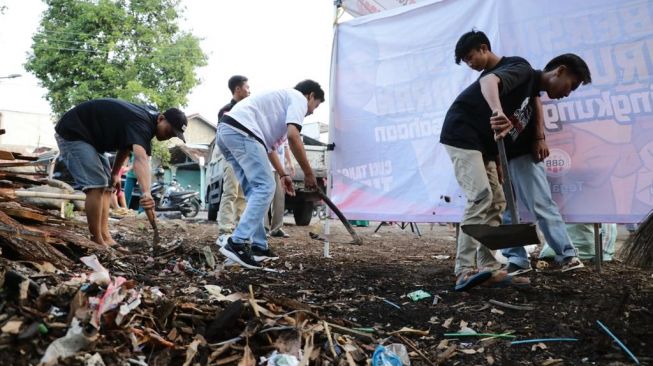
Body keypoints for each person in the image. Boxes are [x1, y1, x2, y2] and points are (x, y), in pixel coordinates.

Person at [440, 30, 591, 291]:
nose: (568, 93)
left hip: (485, 146)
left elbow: (533, 100)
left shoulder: (531, 86)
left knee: (498, 202)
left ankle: (488, 267)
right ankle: (464, 269)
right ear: (560, 71)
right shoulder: (520, 68)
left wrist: (535, 138)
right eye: (571, 85)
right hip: (462, 135)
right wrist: (497, 111)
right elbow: (488, 82)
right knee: (480, 198)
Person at [216, 80, 324, 268]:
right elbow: (293, 137)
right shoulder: (298, 98)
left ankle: (259, 246)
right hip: (242, 132)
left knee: (254, 192)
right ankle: (237, 242)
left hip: (227, 132)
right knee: (266, 187)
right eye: (314, 106)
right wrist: (308, 172)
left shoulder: (280, 105)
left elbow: (268, 149)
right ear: (310, 95)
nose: (312, 111)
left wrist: (283, 175)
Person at [54, 98, 187, 247]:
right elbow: (141, 159)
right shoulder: (143, 124)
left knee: (107, 187)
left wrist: (116, 173)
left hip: (92, 140)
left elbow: (126, 147)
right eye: (169, 131)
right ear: (161, 119)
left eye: (173, 136)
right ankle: (96, 241)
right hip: (73, 131)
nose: (168, 137)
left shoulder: (148, 121)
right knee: (96, 186)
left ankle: (106, 237)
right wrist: (147, 192)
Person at [216, 75, 249, 238]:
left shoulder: (249, 109)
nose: (249, 91)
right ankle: (225, 229)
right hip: (231, 158)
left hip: (246, 158)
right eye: (247, 87)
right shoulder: (226, 110)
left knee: (242, 194)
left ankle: (240, 227)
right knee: (230, 192)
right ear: (238, 89)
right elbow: (222, 135)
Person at [266, 143, 294, 238]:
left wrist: (290, 162)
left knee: (279, 198)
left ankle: (276, 229)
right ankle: (263, 228)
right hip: (266, 166)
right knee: (264, 197)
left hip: (279, 169)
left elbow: (286, 146)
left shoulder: (285, 130)